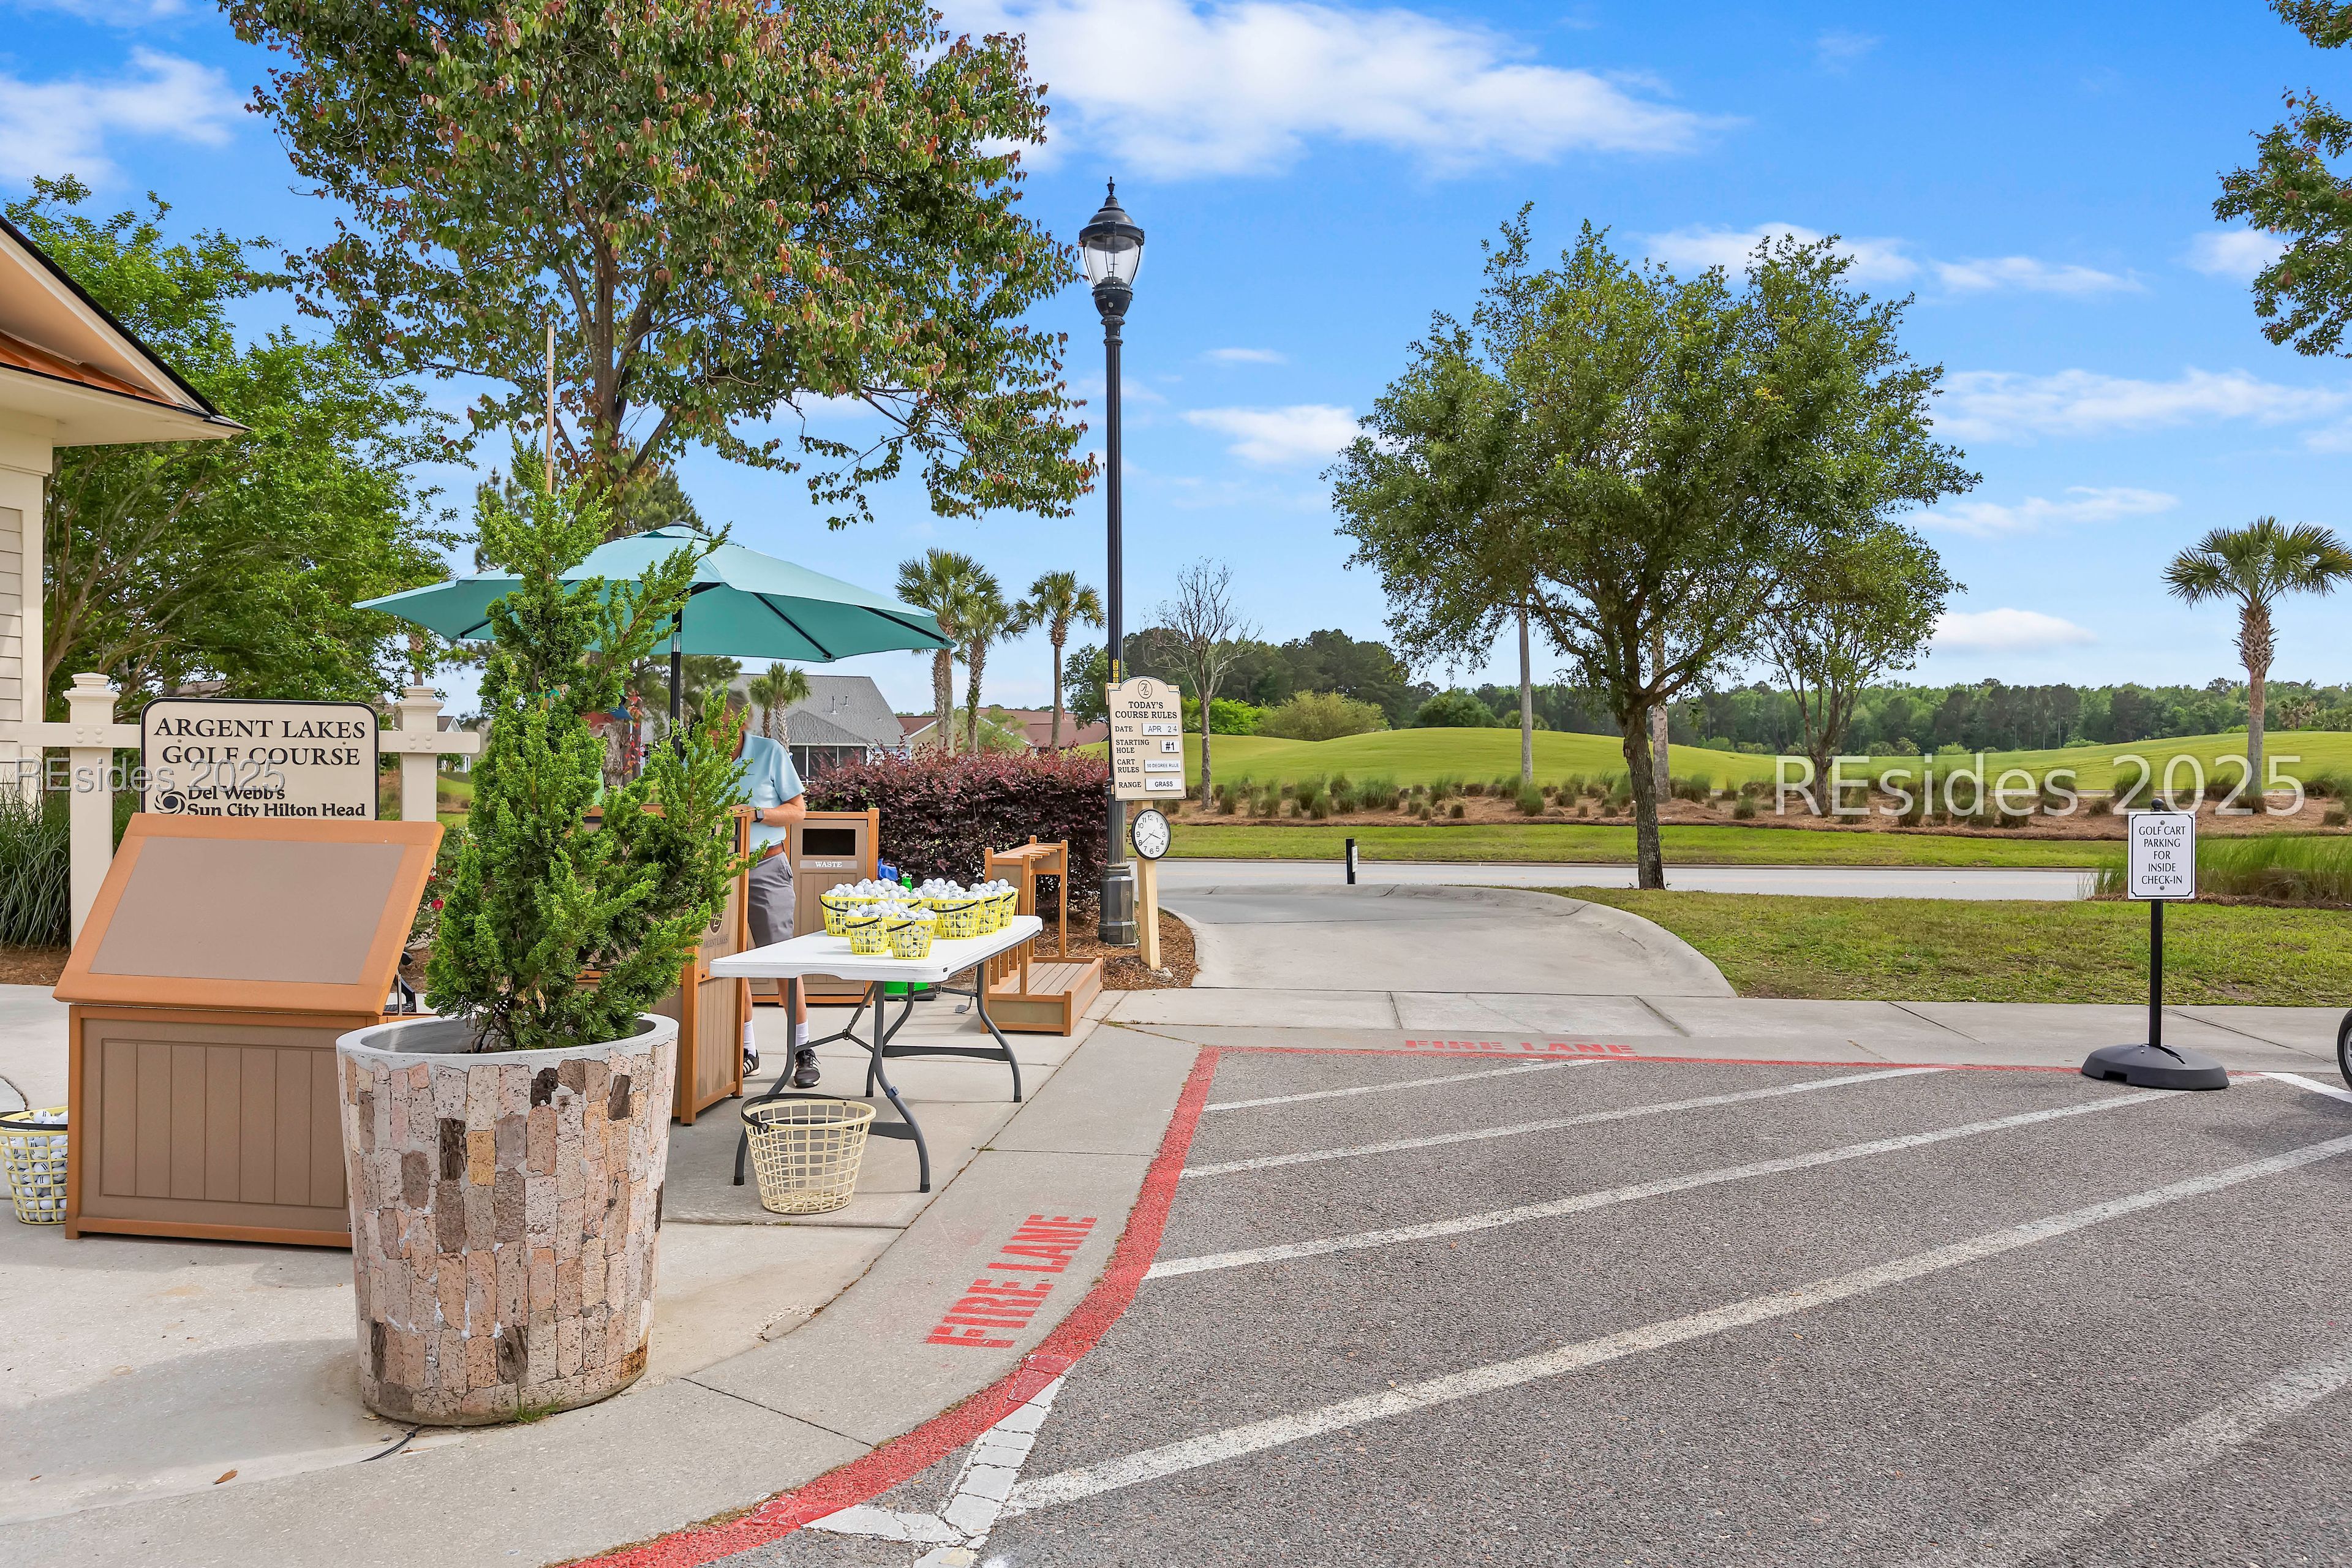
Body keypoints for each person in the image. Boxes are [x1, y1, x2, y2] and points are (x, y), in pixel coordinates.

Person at [734, 696, 817, 1087]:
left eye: (722, 720)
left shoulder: (770, 753)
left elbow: (799, 810)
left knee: (783, 961)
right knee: (729, 965)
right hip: (720, 873)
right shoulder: (695, 760)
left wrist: (758, 814)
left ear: (740, 720)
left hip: (767, 865)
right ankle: (746, 1051)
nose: (713, 730)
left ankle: (803, 1051)